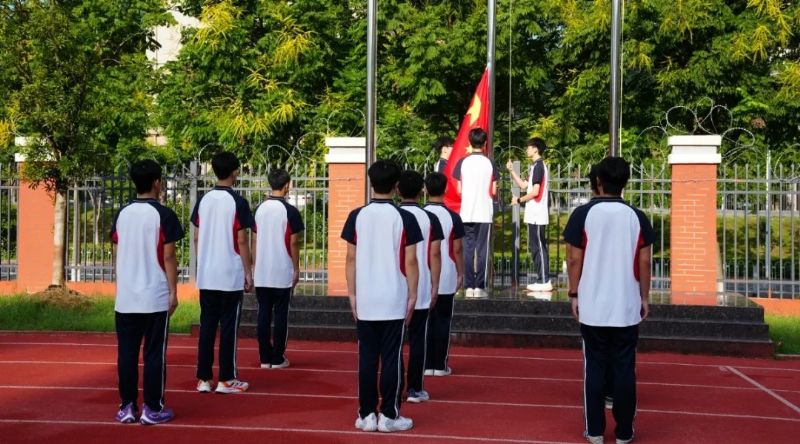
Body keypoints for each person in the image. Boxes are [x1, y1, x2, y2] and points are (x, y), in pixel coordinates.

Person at [563, 157, 653, 444]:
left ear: (598, 182)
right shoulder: (637, 216)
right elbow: (645, 261)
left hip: (592, 304)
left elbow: (574, 259)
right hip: (626, 303)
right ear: (625, 182)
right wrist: (644, 297)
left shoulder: (583, 214)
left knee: (595, 366)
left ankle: (595, 431)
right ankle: (625, 431)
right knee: (625, 367)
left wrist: (574, 293)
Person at [342, 159, 422, 433]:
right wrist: (413, 295)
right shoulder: (405, 218)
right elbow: (411, 261)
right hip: (393, 296)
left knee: (366, 358)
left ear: (370, 183)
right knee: (391, 358)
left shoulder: (357, 215)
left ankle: (366, 414)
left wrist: (352, 293)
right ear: (397, 186)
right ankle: (389, 415)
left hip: (366, 296)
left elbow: (350, 258)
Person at [111, 159, 184, 425]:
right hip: (154, 295)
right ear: (157, 183)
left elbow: (116, 252)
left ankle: (127, 405)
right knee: (154, 354)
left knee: (127, 353)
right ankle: (152, 408)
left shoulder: (122, 214)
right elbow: (169, 256)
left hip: (127, 296)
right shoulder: (164, 215)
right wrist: (173, 291)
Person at [192, 151, 254, 394]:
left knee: (207, 326)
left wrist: (204, 262)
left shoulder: (203, 201)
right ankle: (226, 378)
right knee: (229, 327)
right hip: (230, 273)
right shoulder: (237, 202)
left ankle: (203, 378)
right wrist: (248, 272)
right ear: (234, 172)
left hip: (208, 273)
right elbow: (242, 240)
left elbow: (196, 237)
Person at [398, 170, 443, 402]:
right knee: (418, 340)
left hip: (395, 286)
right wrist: (435, 285)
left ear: (398, 190)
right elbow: (434, 254)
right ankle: (415, 388)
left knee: (393, 343)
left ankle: (395, 388)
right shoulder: (429, 218)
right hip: (422, 285)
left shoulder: (394, 216)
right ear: (421, 190)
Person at [253, 168, 304, 369]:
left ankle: (264, 357)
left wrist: (255, 265)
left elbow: (254, 239)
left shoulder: (260, 209)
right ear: (286, 186)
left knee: (263, 313)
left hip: (262, 269)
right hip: (282, 268)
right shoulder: (290, 211)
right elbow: (294, 242)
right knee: (281, 314)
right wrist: (296, 268)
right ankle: (277, 357)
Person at [423, 172, 465, 377]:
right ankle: (439, 365)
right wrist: (461, 272)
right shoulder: (452, 217)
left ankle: (424, 364)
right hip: (446, 272)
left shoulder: (420, 214)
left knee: (424, 322)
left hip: (423, 274)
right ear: (446, 189)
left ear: (425, 189)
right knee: (443, 320)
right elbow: (457, 248)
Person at [452, 128, 497, 298]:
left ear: (470, 143)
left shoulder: (463, 162)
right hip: (484, 212)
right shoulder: (489, 163)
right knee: (482, 250)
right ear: (485, 143)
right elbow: (494, 190)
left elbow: (459, 189)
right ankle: (480, 287)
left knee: (467, 249)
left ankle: (468, 286)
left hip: (466, 212)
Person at [507, 138, 551, 292]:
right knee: (535, 246)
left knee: (538, 246)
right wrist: (512, 171)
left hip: (537, 213)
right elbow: (523, 185)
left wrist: (519, 200)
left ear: (535, 149)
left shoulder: (539, 166)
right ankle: (542, 279)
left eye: (529, 147)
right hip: (534, 214)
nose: (526, 150)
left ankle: (544, 280)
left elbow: (535, 192)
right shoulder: (535, 167)